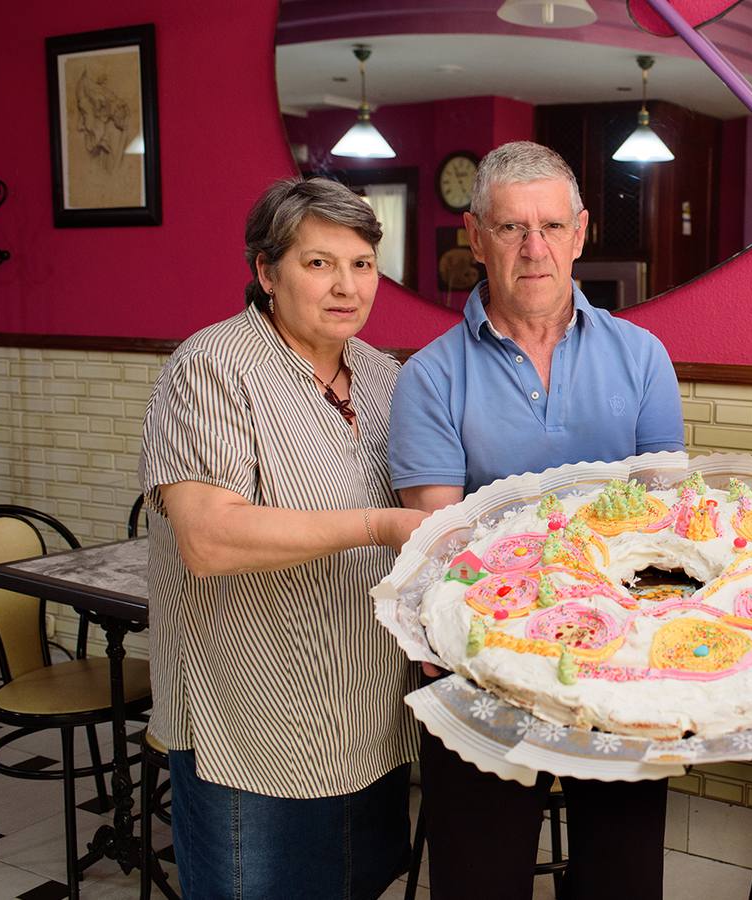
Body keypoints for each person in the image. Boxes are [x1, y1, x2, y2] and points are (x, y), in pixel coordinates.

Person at [388, 141, 684, 900]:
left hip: (620, 665)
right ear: (474, 235)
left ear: (580, 234)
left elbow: (665, 527)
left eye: (551, 226)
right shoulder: (429, 376)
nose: (534, 248)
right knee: (479, 881)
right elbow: (441, 546)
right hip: (480, 662)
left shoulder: (642, 357)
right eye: (512, 227)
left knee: (620, 880)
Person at [138, 176, 426, 899]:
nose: (347, 286)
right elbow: (209, 539)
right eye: (318, 263)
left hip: (366, 707)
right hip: (257, 717)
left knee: (361, 886)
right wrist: (380, 526)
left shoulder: (381, 374)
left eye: (361, 264)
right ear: (266, 272)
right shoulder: (210, 368)